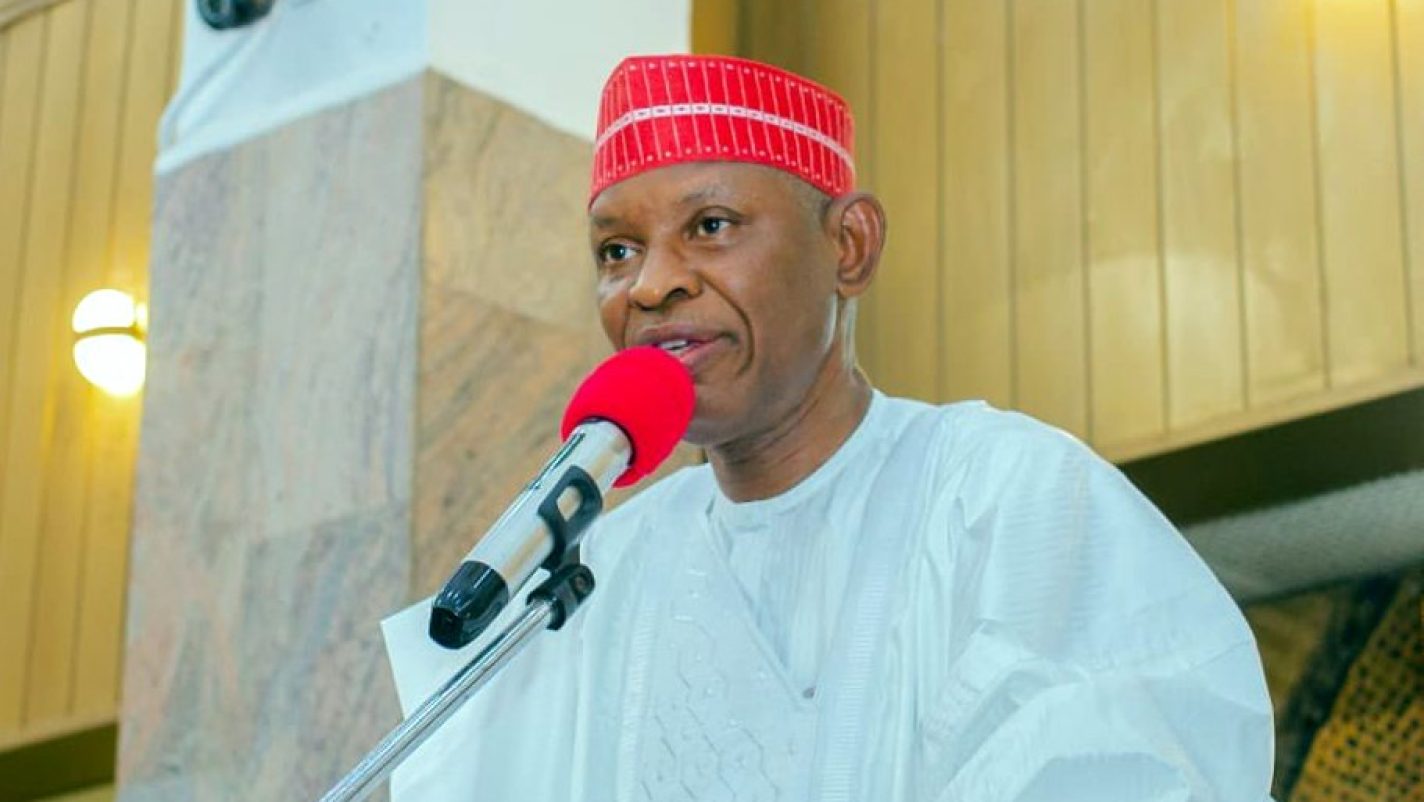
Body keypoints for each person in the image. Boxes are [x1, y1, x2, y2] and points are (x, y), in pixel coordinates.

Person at [382, 54, 1275, 801]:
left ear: (849, 246)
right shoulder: (598, 575)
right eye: (617, 250)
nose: (650, 285)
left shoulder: (1008, 498)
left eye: (710, 226)